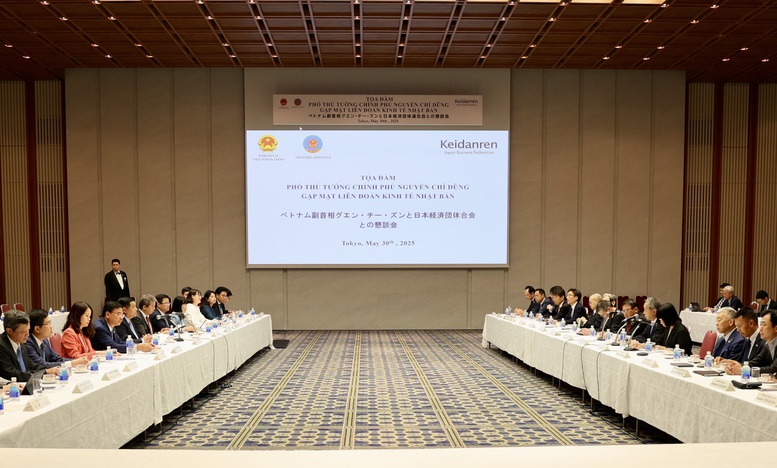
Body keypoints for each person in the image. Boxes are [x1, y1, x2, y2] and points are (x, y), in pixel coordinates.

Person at [0, 310, 59, 381]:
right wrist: (44, 373)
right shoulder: (2, 346)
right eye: (23, 332)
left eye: (28, 330)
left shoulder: (20, 342)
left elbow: (31, 365)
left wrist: (49, 370)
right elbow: (12, 373)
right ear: (9, 331)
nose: (27, 334)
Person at [723, 310, 777, 376]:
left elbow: (773, 369)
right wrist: (737, 365)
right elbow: (756, 361)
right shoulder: (768, 344)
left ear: (776, 328)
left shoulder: (764, 342)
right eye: (761, 324)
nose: (761, 328)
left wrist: (744, 370)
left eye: (764, 325)